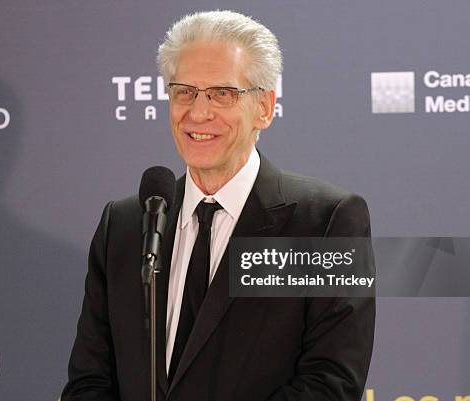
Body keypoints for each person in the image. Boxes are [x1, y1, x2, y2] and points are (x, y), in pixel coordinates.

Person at [61, 10, 375, 401]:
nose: (198, 112)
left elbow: (331, 382)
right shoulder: (126, 223)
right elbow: (89, 381)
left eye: (222, 93)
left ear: (265, 106)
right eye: (184, 92)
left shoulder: (323, 222)